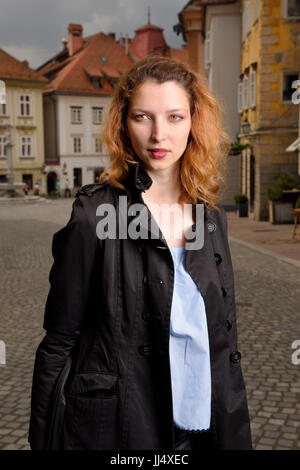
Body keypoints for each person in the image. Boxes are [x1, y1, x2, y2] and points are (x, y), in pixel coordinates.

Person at [29, 56, 252, 450]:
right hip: (124, 427)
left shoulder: (210, 215)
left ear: (194, 122)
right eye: (143, 116)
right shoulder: (95, 214)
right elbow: (60, 339)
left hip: (207, 423)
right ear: (123, 123)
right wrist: (44, 436)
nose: (158, 135)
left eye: (174, 117)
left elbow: (222, 338)